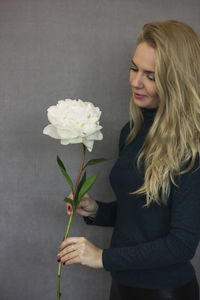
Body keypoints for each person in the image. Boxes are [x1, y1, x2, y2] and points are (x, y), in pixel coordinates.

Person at [57, 19, 200, 300]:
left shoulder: (192, 146)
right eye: (134, 68)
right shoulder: (131, 131)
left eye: (151, 75)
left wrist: (102, 257)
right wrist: (95, 209)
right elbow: (140, 215)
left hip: (166, 291)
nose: (136, 81)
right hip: (122, 287)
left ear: (176, 79)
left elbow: (182, 244)